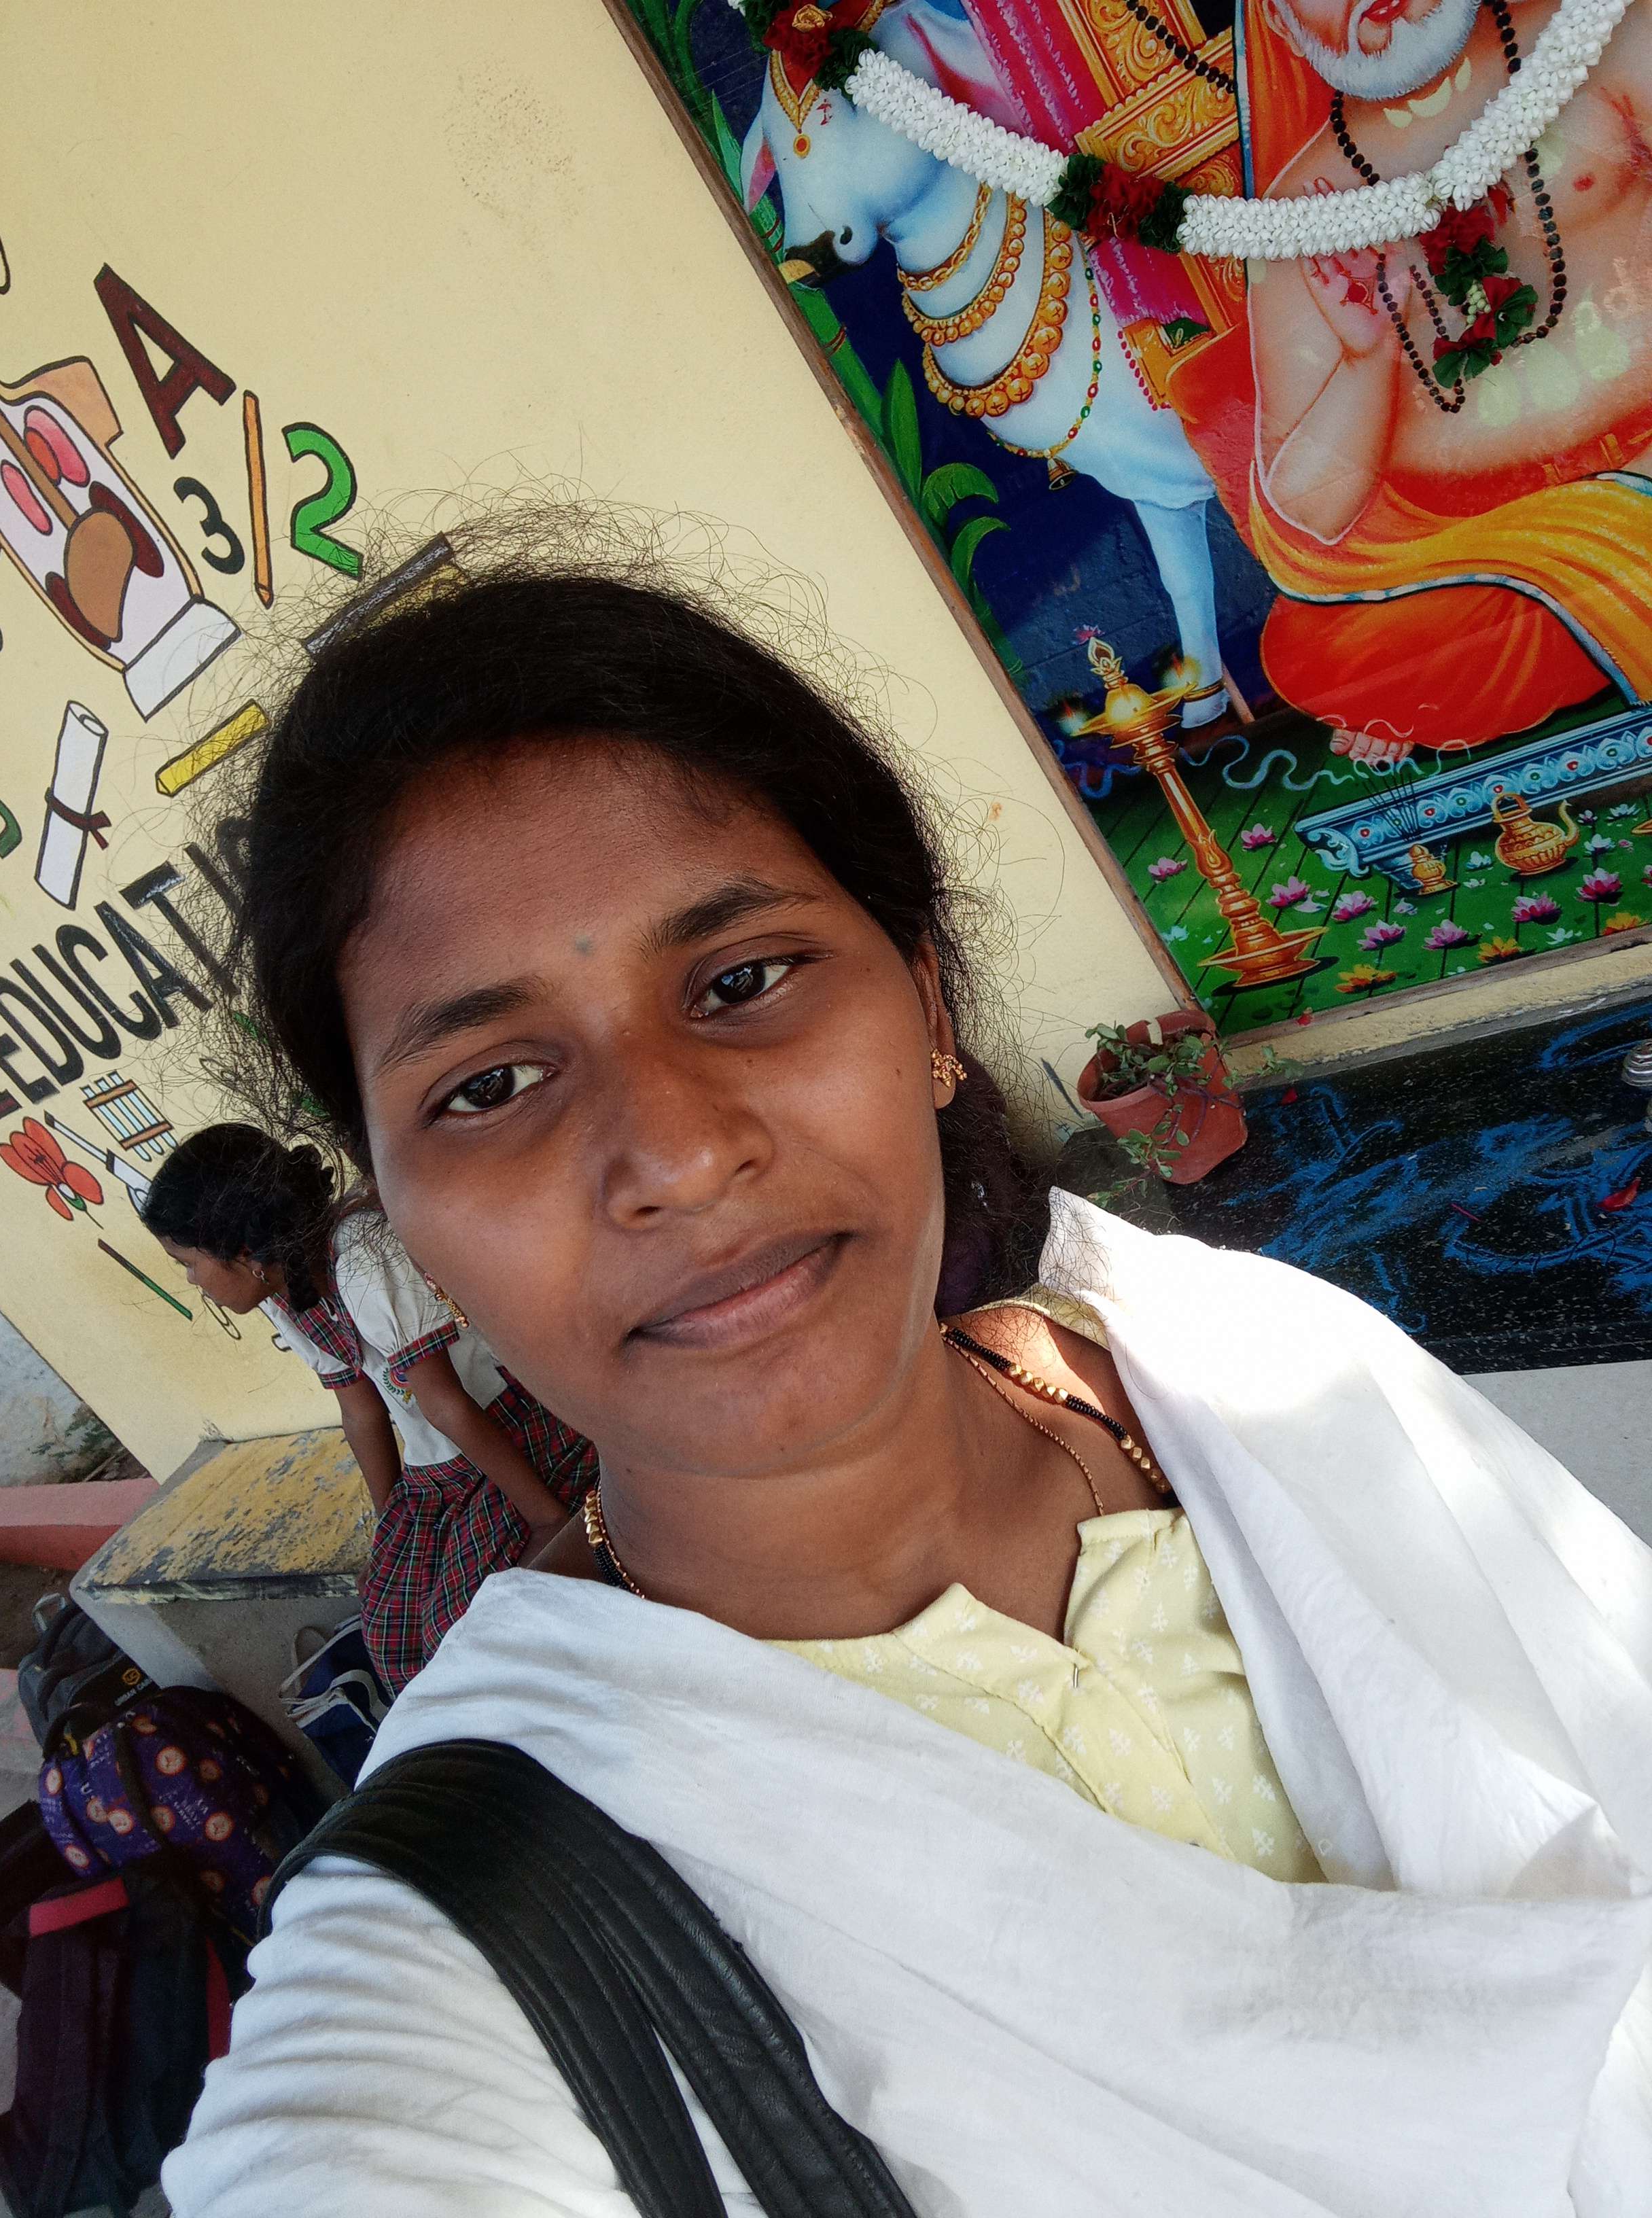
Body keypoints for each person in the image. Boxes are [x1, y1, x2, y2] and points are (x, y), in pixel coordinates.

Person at [166, 527, 1652, 2215]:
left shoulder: (1256, 1370)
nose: (678, 1155)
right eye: (489, 1087)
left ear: (929, 1008)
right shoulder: (488, 1909)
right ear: (406, 1231)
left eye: (741, 981)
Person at [1240, 0, 1652, 764]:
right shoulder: (1299, 213)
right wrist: (1367, 357)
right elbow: (1310, 510)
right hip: (1486, 557)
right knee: (1330, 648)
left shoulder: (1597, 31)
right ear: (1279, 20)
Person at [143, 1123, 596, 1693]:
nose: (193, 1280)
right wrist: (394, 1534)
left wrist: (548, 1519)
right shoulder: (281, 1290)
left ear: (240, 1252)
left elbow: (446, 1403)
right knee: (387, 1634)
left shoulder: (360, 1254)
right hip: (436, 1471)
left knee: (456, 1634)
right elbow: (360, 1411)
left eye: (187, 1262)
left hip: (507, 1435)